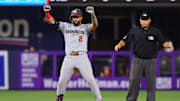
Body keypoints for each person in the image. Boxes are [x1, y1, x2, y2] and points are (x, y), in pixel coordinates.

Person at [43, 4, 102, 101]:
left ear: (81, 18)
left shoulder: (85, 27)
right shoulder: (66, 26)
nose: (75, 19)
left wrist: (93, 15)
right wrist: (47, 13)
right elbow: (52, 22)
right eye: (73, 17)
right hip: (69, 57)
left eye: (77, 17)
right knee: (62, 81)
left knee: (90, 79)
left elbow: (95, 26)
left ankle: (99, 99)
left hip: (82, 57)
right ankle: (59, 98)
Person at [114, 11, 174, 101]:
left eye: (146, 20)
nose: (144, 22)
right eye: (142, 20)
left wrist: (168, 45)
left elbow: (163, 41)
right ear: (139, 20)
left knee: (151, 84)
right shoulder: (135, 30)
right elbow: (125, 40)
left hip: (151, 61)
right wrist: (119, 45)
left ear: (149, 20)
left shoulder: (155, 31)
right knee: (134, 81)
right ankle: (131, 99)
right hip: (137, 60)